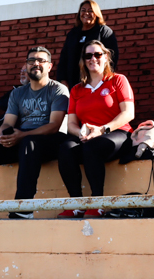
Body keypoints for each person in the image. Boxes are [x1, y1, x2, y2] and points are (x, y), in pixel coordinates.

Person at [0, 47, 68, 220]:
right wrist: (5, 135)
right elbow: (7, 122)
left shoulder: (58, 89)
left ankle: (23, 207)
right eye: (31, 60)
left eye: (41, 60)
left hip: (49, 141)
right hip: (22, 140)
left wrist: (22, 135)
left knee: (28, 142)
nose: (36, 64)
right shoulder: (17, 93)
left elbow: (54, 125)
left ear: (49, 66)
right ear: (26, 65)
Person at [57, 41, 134, 219]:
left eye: (98, 54)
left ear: (106, 57)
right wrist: (81, 133)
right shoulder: (77, 90)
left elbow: (128, 113)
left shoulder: (118, 80)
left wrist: (102, 130)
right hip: (88, 136)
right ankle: (76, 204)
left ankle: (97, 203)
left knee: (92, 147)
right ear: (83, 61)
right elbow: (71, 124)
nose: (93, 59)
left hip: (117, 133)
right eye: (88, 56)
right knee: (66, 148)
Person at [56, 0, 119, 89]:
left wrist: (104, 78)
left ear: (96, 13)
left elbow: (112, 57)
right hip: (73, 84)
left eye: (90, 11)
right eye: (83, 10)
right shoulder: (73, 34)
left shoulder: (104, 31)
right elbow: (64, 58)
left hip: (96, 83)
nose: (86, 13)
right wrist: (62, 79)